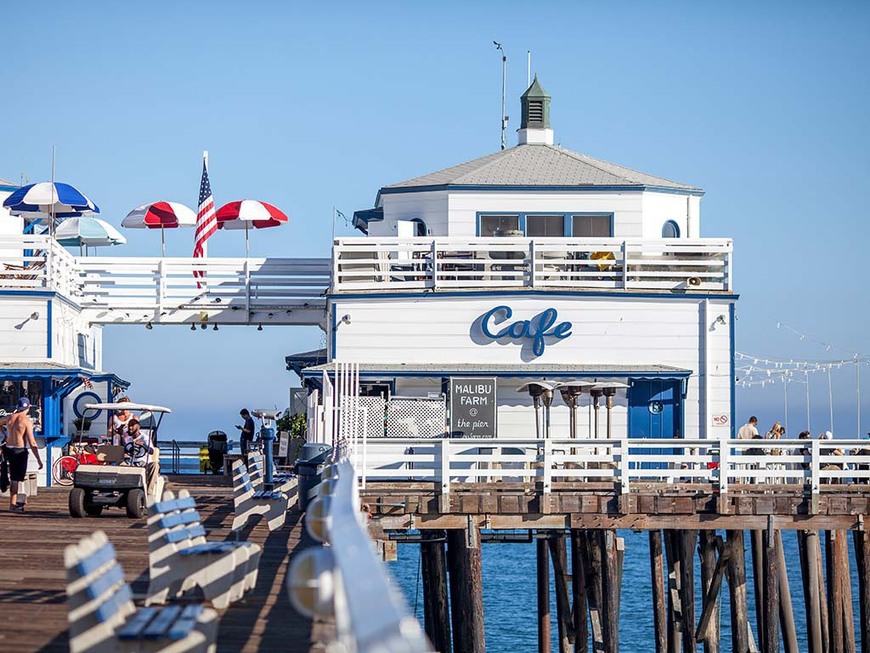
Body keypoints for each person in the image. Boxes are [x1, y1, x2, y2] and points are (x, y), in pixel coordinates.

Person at [3, 398, 43, 512]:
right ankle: (13, 504)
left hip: (9, 449)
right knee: (16, 479)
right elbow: (32, 442)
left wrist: (4, 435)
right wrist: (39, 460)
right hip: (19, 451)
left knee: (16, 477)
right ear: (29, 407)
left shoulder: (10, 417)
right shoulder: (26, 421)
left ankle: (18, 499)